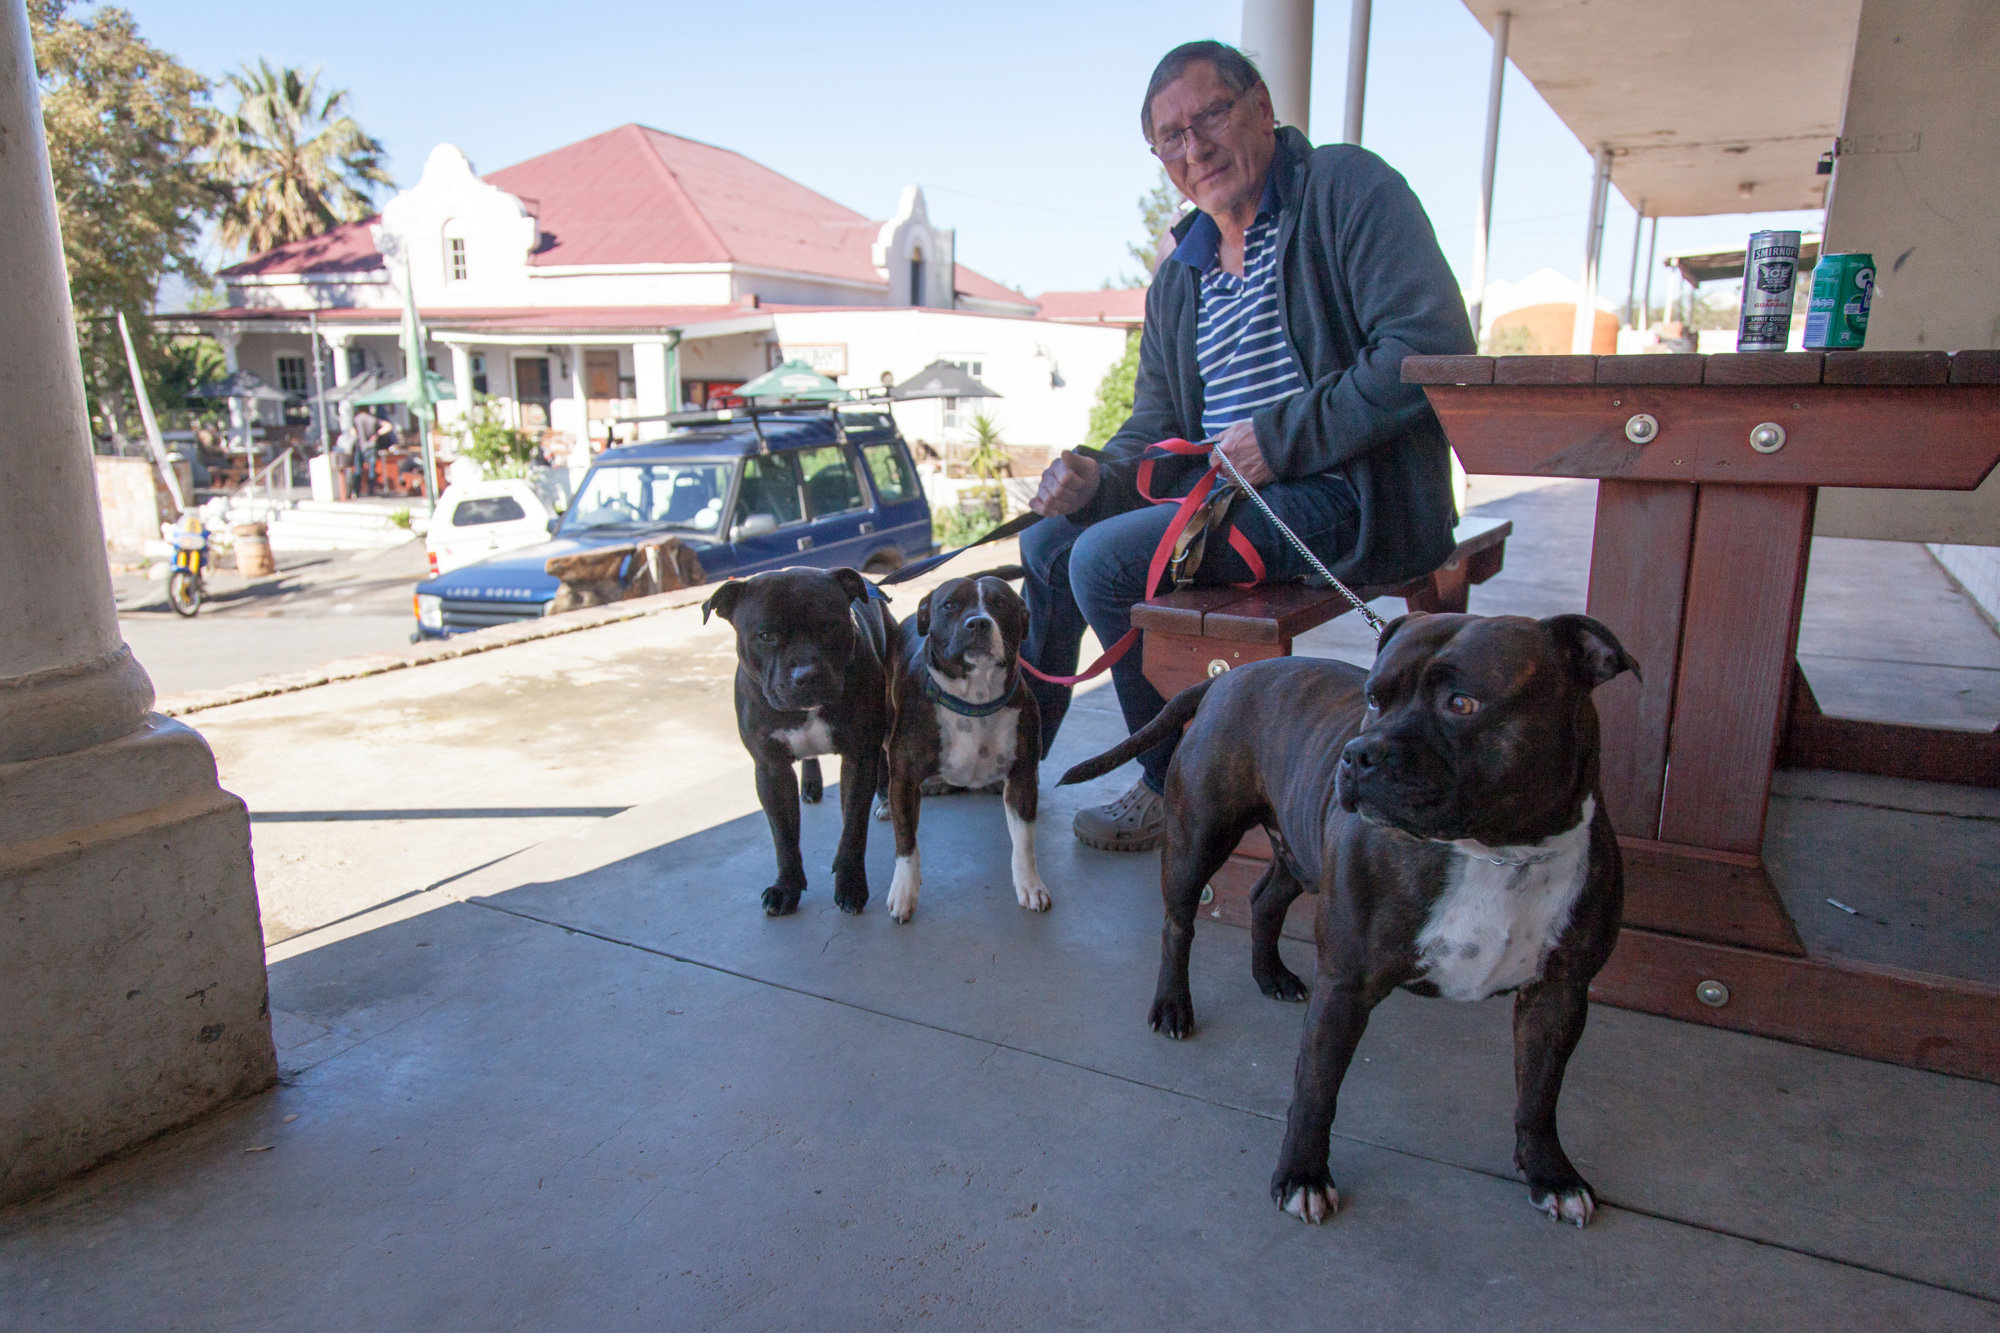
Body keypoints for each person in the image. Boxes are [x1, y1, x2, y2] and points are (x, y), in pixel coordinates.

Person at [1022, 40, 1475, 852]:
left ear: (1262, 107)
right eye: (1171, 137)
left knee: (1104, 561)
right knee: (1051, 540)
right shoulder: (1181, 274)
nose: (1194, 148)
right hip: (1234, 500)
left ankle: (1175, 785)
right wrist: (1094, 475)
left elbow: (1426, 348)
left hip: (1348, 498)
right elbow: (1154, 425)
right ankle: (1009, 755)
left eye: (1211, 116)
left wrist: (1279, 438)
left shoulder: (1346, 189)